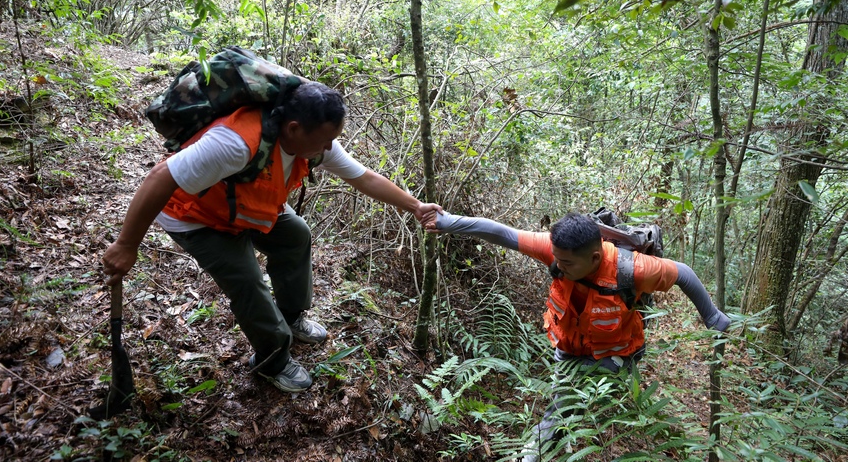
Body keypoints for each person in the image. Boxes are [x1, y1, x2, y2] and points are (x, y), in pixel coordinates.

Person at [102, 81, 442, 393]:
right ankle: (272, 360)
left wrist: (415, 206)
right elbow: (160, 177)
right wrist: (126, 245)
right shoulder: (235, 143)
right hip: (195, 216)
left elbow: (364, 177)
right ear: (294, 129)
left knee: (295, 234)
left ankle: (291, 316)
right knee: (248, 281)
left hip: (245, 206)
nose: (330, 147)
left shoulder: (312, 141)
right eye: (325, 139)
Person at [425, 210, 730, 460]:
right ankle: (560, 437)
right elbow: (502, 233)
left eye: (567, 263)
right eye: (556, 259)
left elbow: (684, 274)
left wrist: (713, 316)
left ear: (595, 258)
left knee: (562, 401)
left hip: (616, 355)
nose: (557, 265)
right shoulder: (558, 252)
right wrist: (448, 222)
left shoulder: (634, 269)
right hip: (569, 348)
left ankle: (532, 453)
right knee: (564, 398)